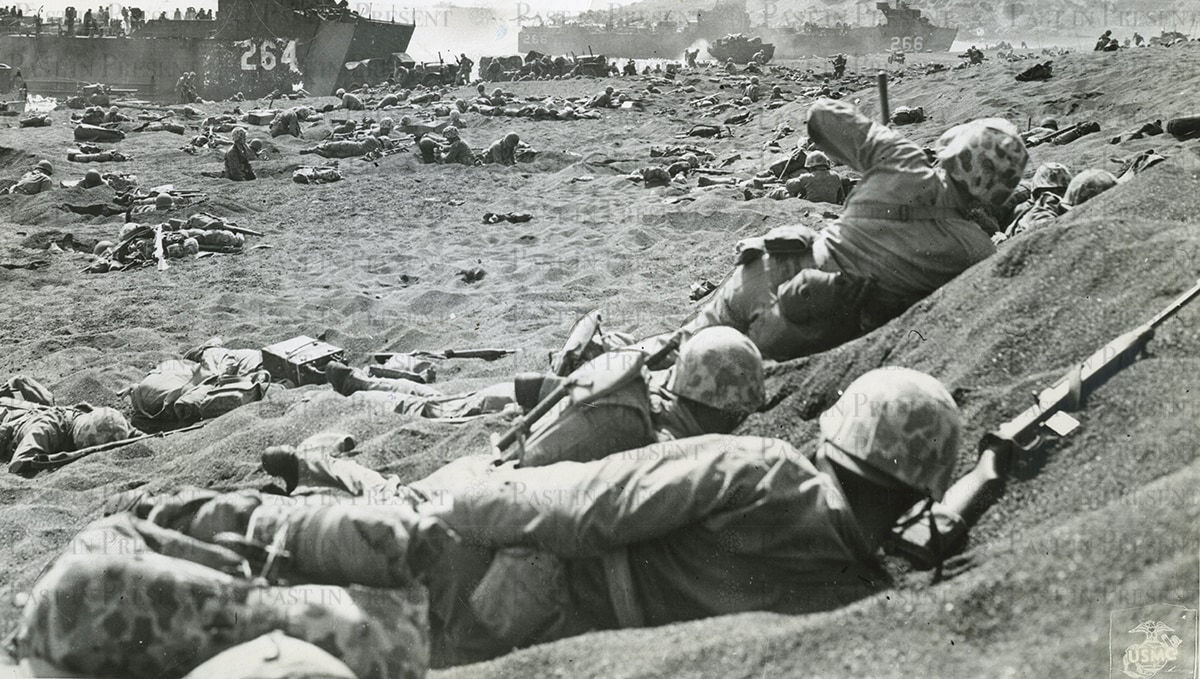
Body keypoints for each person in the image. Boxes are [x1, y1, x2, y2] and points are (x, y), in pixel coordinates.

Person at [13, 366, 961, 674]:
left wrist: (445, 494)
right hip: (523, 632)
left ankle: (85, 602)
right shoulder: (854, 586)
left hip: (470, 565)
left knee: (201, 545)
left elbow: (573, 509)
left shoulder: (761, 469)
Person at [643, 99, 1025, 362]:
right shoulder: (973, 250)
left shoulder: (903, 160)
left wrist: (882, 142)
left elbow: (821, 115)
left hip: (767, 270)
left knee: (671, 350)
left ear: (956, 147)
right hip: (800, 323)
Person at [1, 376, 139, 475]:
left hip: (27, 410)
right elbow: (19, 464)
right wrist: (69, 456)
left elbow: (127, 432)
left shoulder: (100, 416)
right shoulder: (45, 429)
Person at [1003, 162, 1071, 238]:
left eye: (1062, 190)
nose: (1058, 195)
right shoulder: (1026, 209)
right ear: (1037, 192)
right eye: (1053, 190)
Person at [300, 135, 382, 159]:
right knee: (330, 155)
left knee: (329, 146)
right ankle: (316, 151)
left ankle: (311, 149)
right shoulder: (375, 148)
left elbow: (359, 138)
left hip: (351, 145)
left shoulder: (371, 138)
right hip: (352, 153)